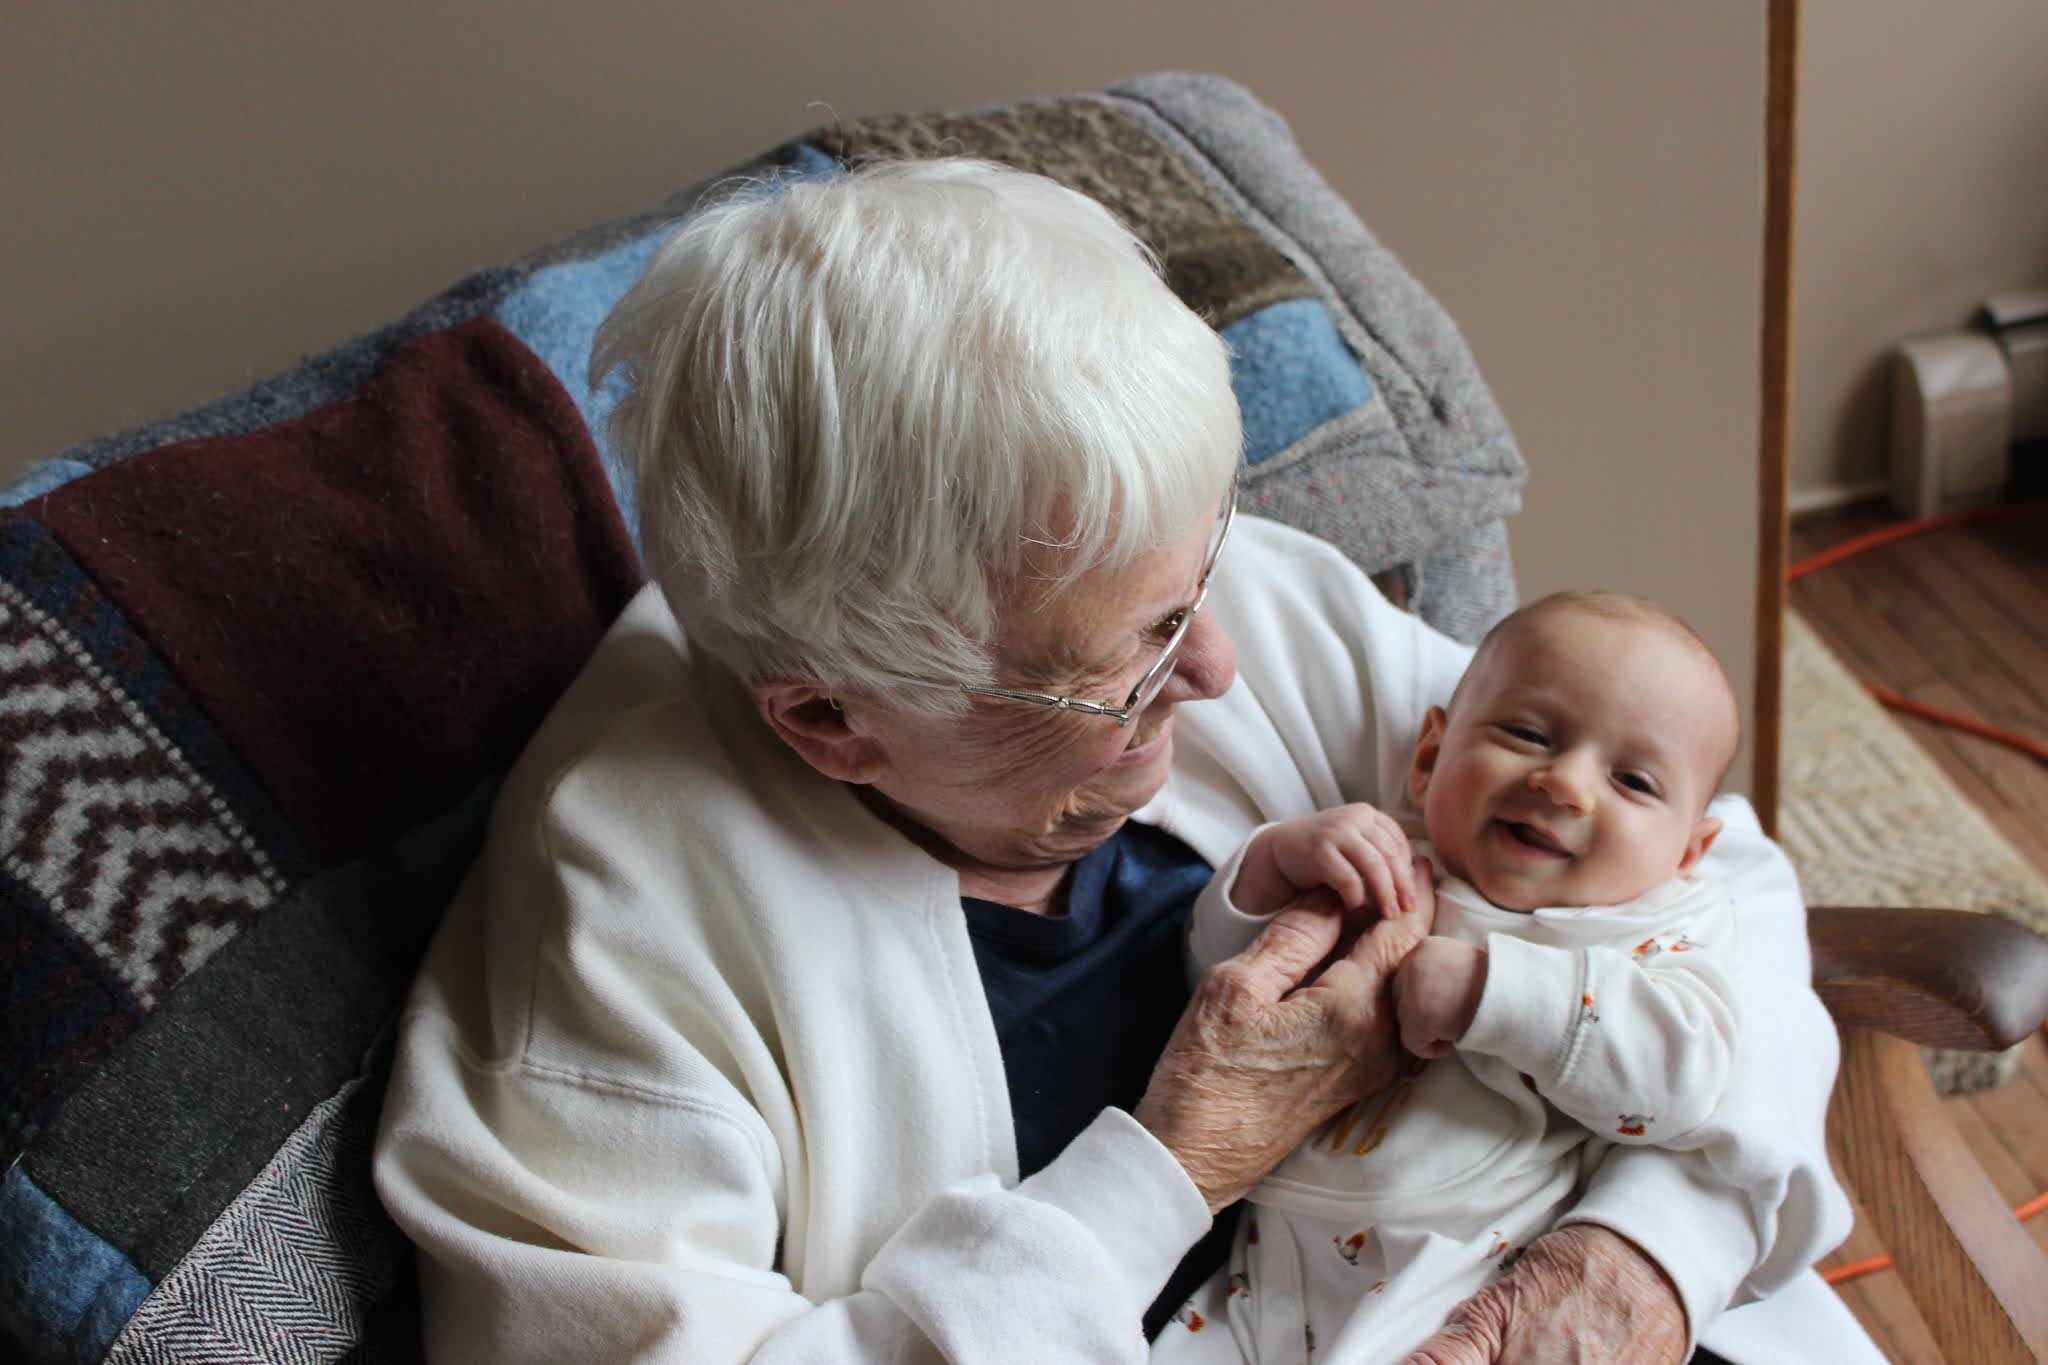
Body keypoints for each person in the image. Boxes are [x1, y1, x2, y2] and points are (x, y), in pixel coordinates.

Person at [370, 159, 1850, 1363]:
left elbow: (1719, 872)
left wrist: (1648, 1254)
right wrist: (1175, 1167)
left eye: (1201, 577)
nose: (1216, 668)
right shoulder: (617, 936)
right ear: (831, 719)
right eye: (1136, 659)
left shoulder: (1184, 576)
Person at [1165, 592, 1750, 1363]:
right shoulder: (1387, 856)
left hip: (1466, 1272)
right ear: (1430, 757)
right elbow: (1225, 992)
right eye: (1527, 733)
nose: (1565, 784)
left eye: (1634, 782)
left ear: (1687, 852)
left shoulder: (1651, 932)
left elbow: (1685, 1083)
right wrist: (1271, 868)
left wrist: (1492, 993)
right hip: (1265, 1261)